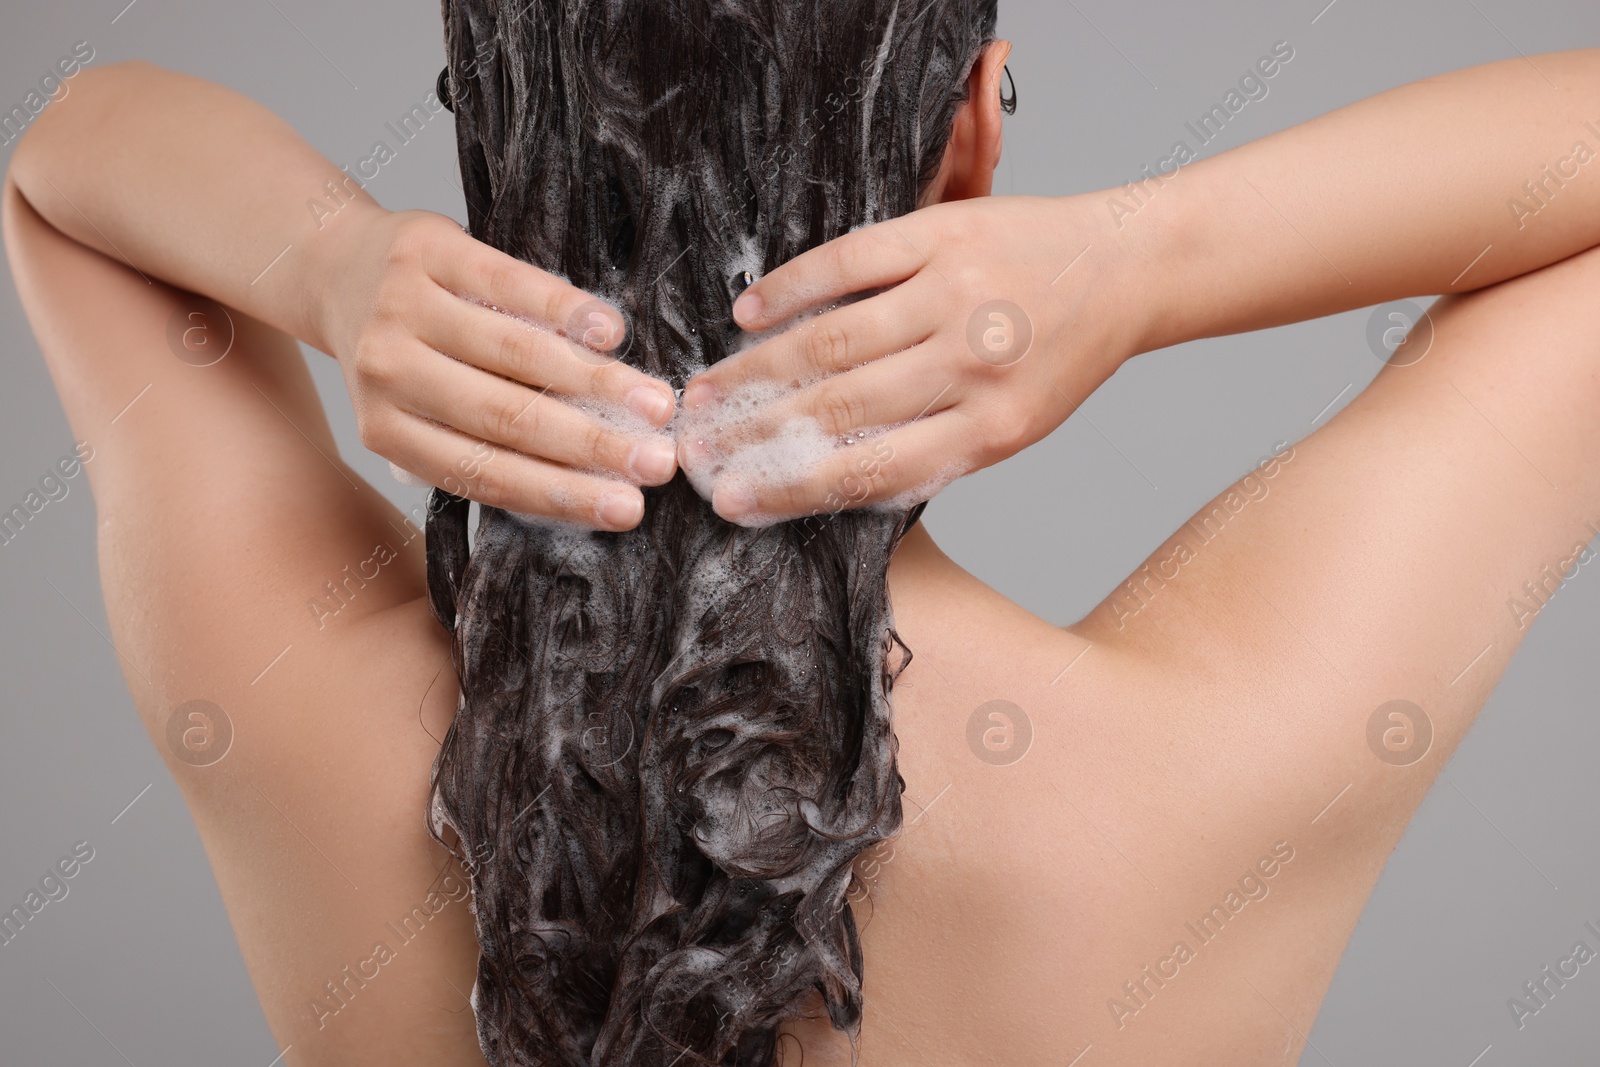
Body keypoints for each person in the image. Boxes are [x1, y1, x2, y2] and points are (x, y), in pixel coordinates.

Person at [6, 7, 1600, 1064]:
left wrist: (333, 266)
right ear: (972, 134)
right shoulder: (1213, 762)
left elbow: (66, 151)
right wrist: (1147, 262)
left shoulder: (296, 700)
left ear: (490, 146)